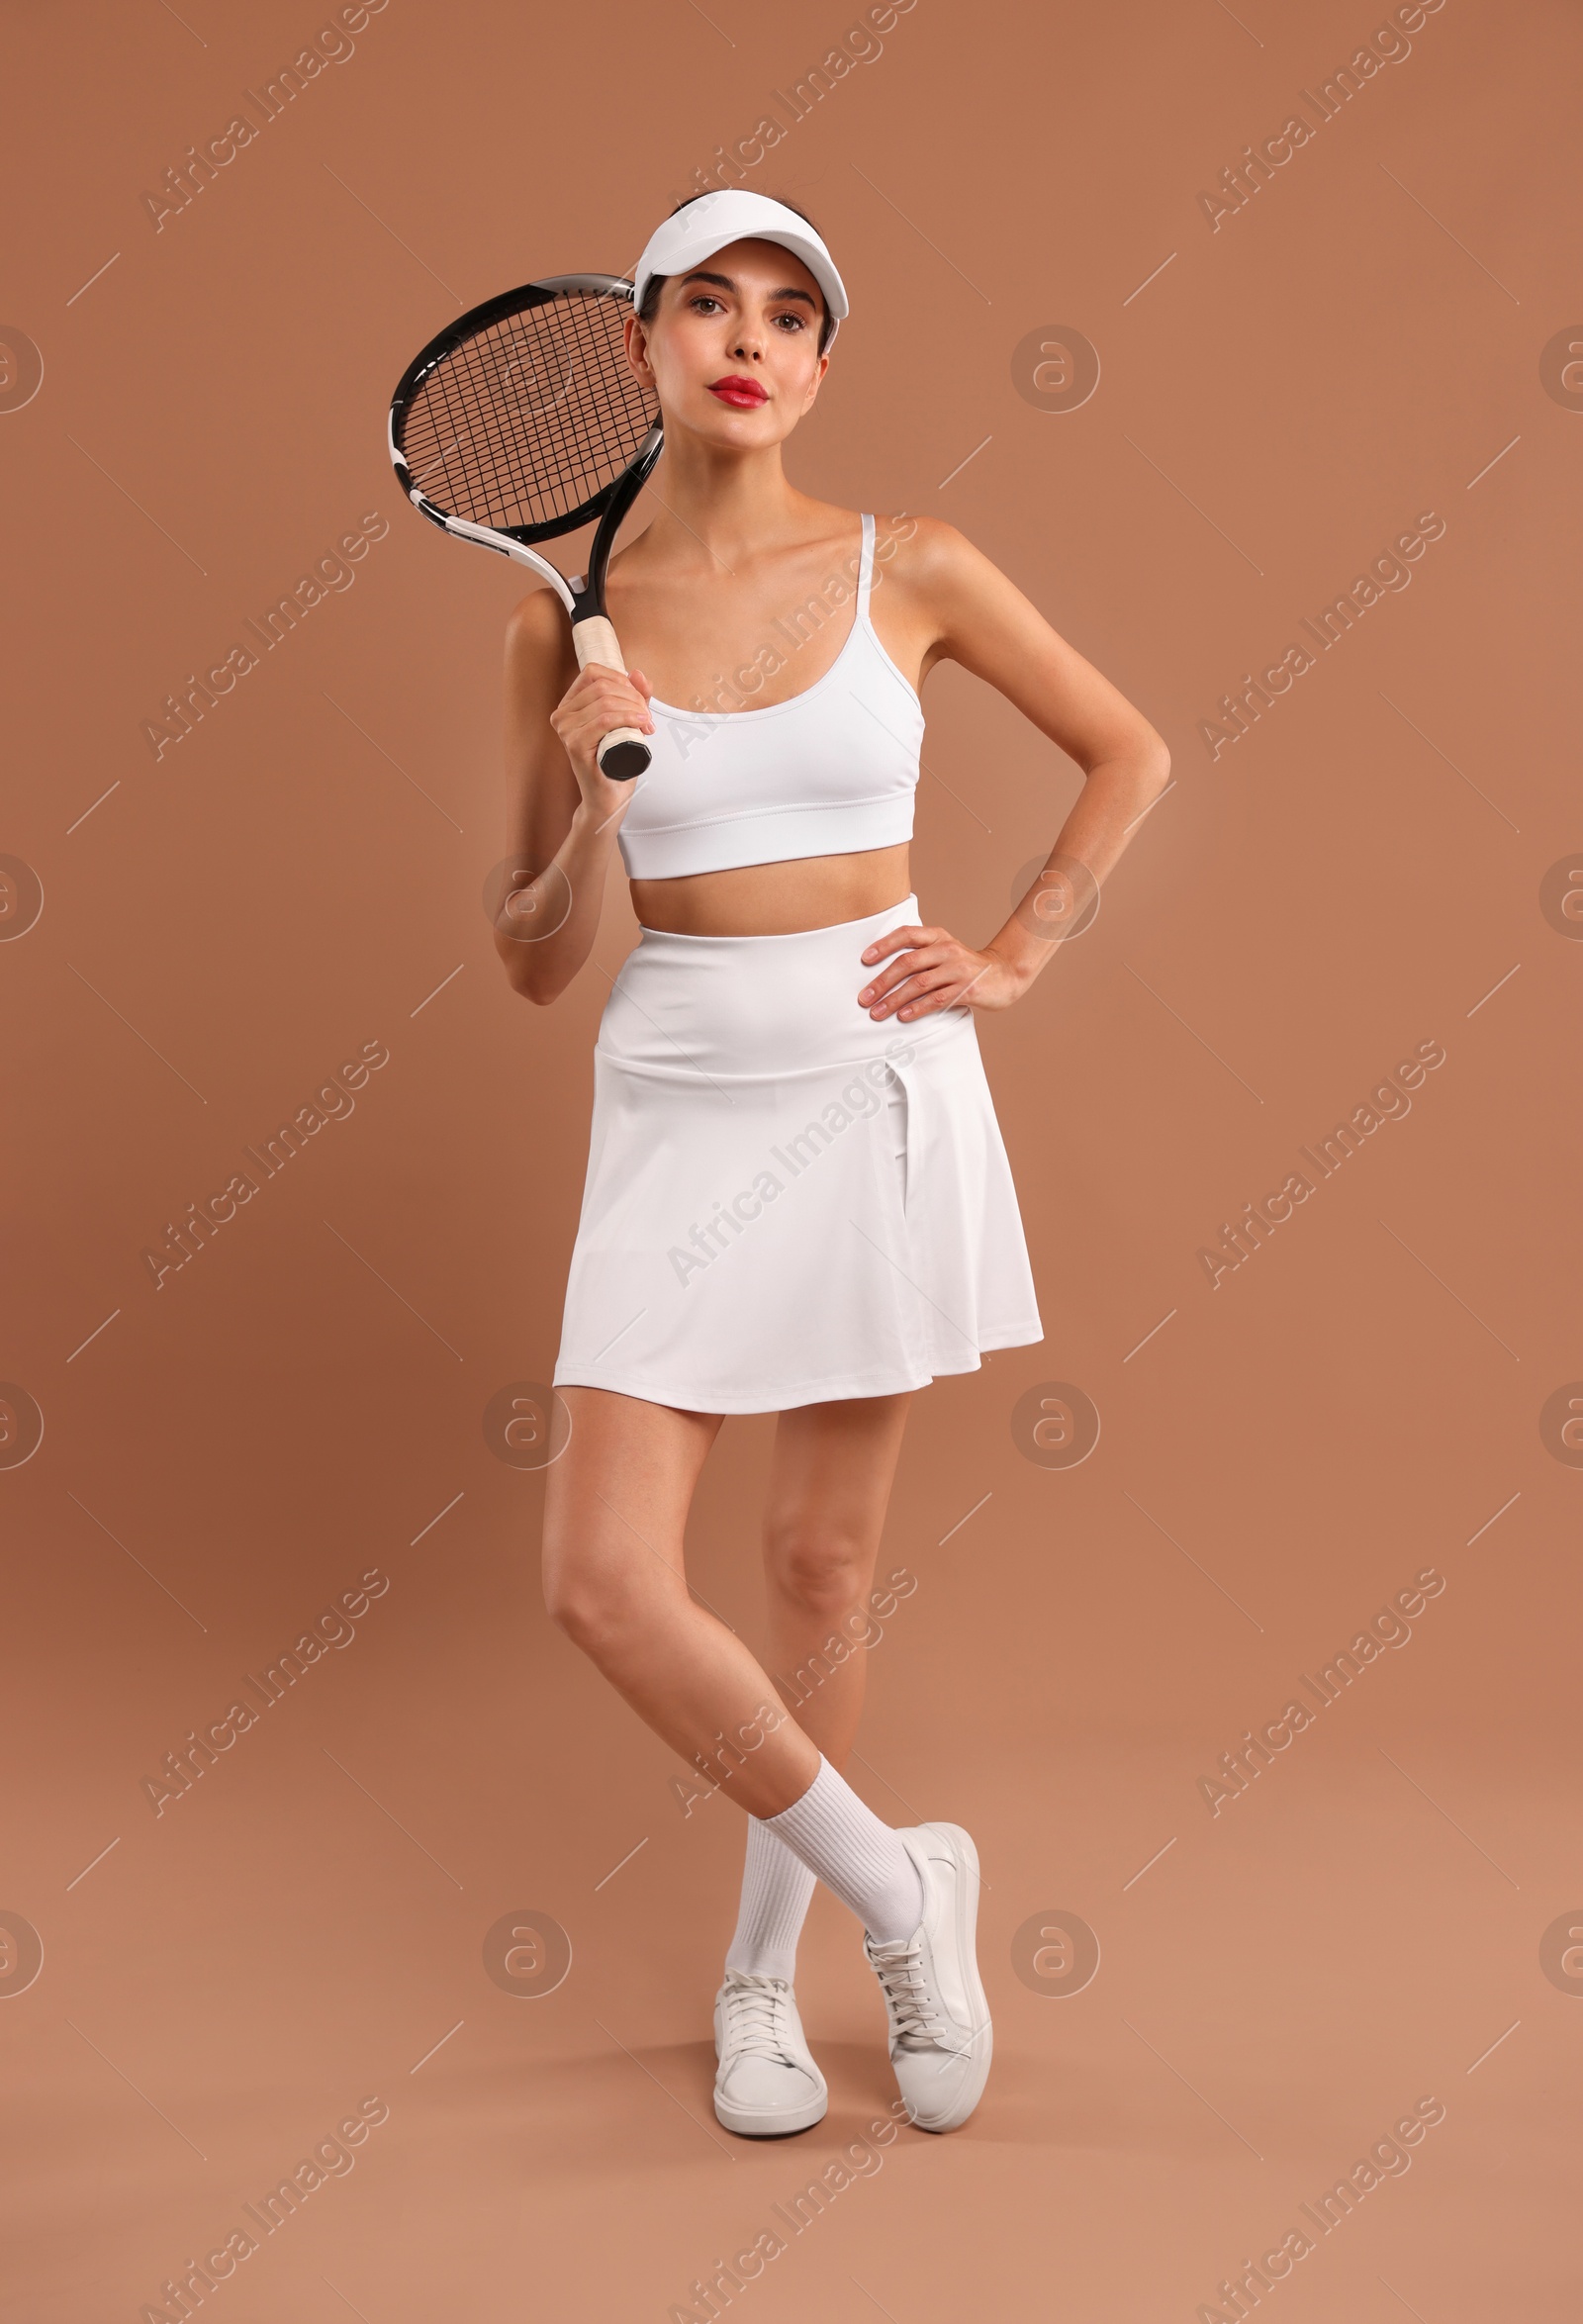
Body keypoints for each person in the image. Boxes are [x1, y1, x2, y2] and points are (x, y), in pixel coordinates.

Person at [495, 189, 1168, 2137]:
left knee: (817, 1560)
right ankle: (905, 1881)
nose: (748, 340)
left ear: (813, 368)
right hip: (673, 1085)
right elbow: (531, 956)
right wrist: (572, 787)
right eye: (708, 302)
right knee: (607, 1577)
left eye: (789, 317)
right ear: (636, 342)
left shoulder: (915, 561)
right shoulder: (561, 614)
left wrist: (1019, 942)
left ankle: (757, 1981)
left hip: (871, 1085)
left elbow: (1123, 750)